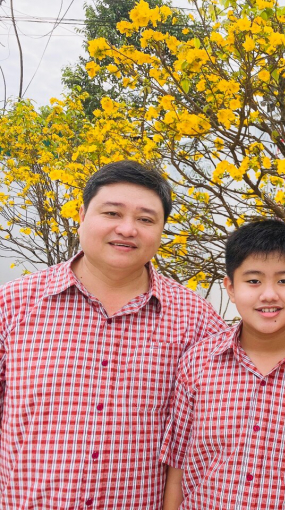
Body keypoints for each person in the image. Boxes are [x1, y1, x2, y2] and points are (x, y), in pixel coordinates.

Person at [0, 160, 226, 509]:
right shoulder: (14, 304)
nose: (127, 229)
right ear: (81, 215)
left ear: (161, 229)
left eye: (146, 220)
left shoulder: (196, 320)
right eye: (112, 213)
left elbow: (208, 436)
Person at [160, 219, 285, 510]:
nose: (269, 294)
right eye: (253, 281)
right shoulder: (198, 362)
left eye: (284, 281)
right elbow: (178, 468)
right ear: (230, 287)